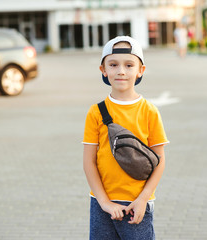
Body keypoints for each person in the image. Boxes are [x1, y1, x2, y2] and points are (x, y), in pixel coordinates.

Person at [82, 36, 169, 240]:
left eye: (129, 65)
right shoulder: (95, 112)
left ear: (141, 70)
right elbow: (89, 162)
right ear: (103, 70)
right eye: (113, 65)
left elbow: (160, 161)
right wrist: (104, 202)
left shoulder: (149, 111)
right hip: (101, 204)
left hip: (136, 204)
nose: (121, 71)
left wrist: (143, 199)